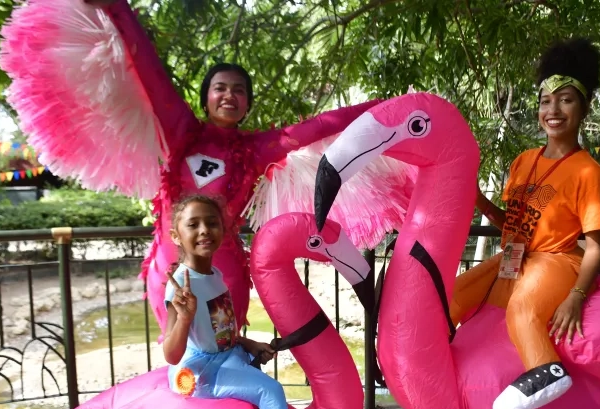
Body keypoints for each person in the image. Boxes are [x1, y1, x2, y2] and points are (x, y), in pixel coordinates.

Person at [79, 0, 386, 340]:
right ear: (205, 98)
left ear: (248, 104)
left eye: (239, 91)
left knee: (225, 351)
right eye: (220, 88)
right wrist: (116, 7)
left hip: (222, 276)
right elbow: (151, 74)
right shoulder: (179, 131)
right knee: (181, 363)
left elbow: (318, 127)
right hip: (169, 269)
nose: (229, 95)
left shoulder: (256, 149)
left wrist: (384, 109)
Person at [450, 37, 600, 409]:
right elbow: (515, 221)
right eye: (545, 101)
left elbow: (595, 247)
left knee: (522, 310)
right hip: (516, 256)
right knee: (452, 295)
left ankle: (546, 370)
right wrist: (478, 200)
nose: (553, 109)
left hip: (558, 260)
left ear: (584, 108)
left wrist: (575, 296)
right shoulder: (523, 162)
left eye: (566, 99)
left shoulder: (589, 172)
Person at [164, 194, 330, 409]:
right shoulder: (181, 289)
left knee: (254, 368)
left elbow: (219, 329)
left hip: (223, 356)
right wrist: (184, 318)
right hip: (199, 371)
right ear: (176, 235)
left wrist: (246, 343)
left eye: (212, 223)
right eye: (193, 225)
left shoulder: (214, 274)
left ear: (223, 229)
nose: (204, 230)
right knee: (270, 389)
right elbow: (172, 355)